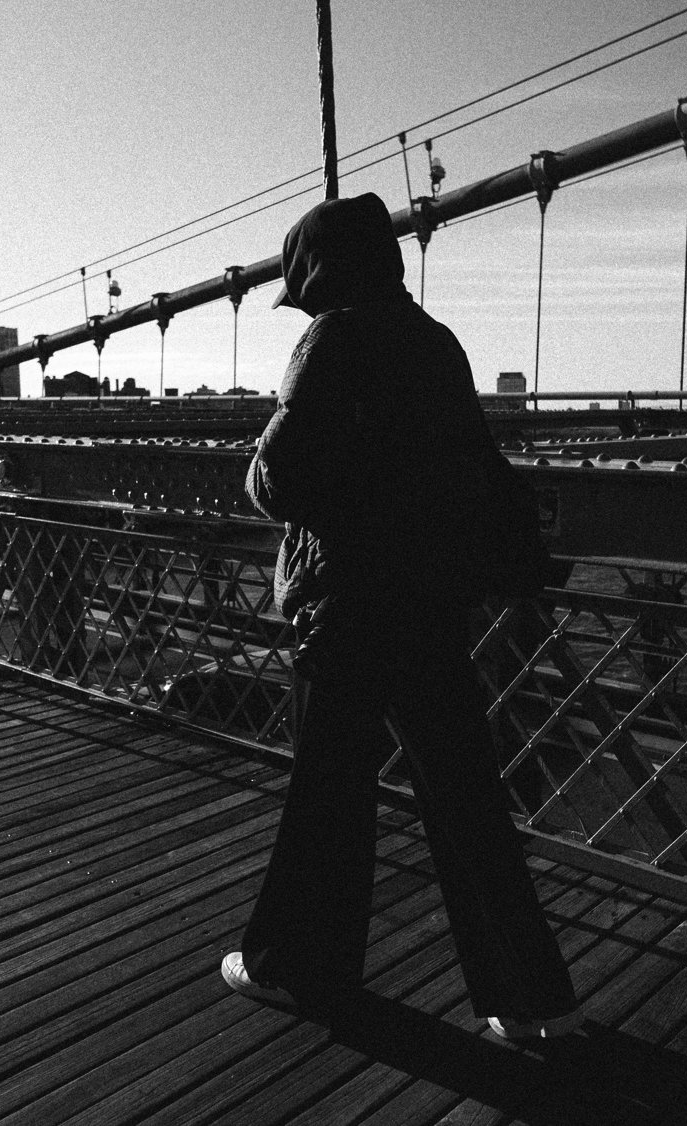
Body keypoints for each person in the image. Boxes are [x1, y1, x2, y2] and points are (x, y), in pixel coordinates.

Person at [219, 192, 580, 1040]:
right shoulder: (437, 343)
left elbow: (278, 481)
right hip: (430, 601)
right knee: (466, 802)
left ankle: (299, 970)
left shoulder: (332, 338)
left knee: (328, 804)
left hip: (346, 607)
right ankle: (535, 1004)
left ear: (318, 274)